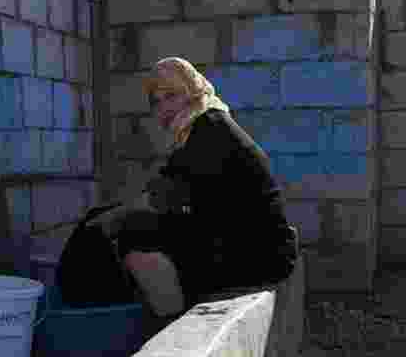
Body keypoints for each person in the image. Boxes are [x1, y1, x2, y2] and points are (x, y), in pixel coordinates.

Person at [93, 57, 298, 321]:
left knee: (133, 241)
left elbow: (160, 198)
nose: (163, 107)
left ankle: (170, 328)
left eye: (172, 96)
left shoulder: (208, 130)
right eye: (156, 101)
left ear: (193, 93)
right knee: (141, 227)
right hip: (253, 244)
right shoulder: (203, 123)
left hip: (259, 257)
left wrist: (105, 222)